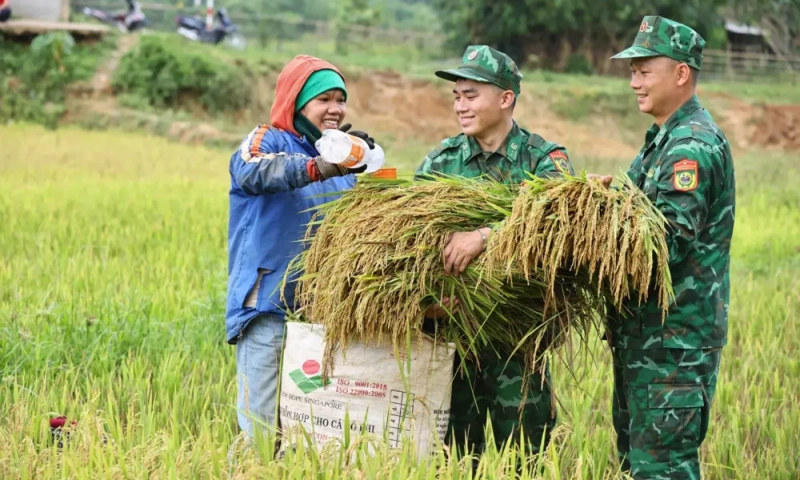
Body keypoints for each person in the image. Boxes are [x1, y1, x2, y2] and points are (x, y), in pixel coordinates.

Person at [414, 45, 575, 462]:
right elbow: (411, 242)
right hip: (454, 342)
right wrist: (431, 301)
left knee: (523, 460)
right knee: (452, 460)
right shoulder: (440, 163)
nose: (460, 106)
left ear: (506, 99)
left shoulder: (544, 160)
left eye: (471, 95)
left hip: (518, 340)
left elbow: (559, 221)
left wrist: (484, 236)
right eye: (456, 97)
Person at [591, 16, 735, 479]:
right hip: (647, 343)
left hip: (672, 348)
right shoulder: (663, 140)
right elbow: (642, 214)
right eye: (631, 72)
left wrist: (587, 231)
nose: (634, 82)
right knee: (640, 467)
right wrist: (607, 199)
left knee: (663, 469)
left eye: (643, 70)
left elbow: (662, 242)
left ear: (680, 73)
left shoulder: (691, 146)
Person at [226, 54, 375, 441]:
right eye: (324, 99)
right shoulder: (267, 138)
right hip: (268, 302)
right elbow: (251, 169)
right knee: (260, 430)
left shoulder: (341, 167)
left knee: (307, 430)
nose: (336, 109)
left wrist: (358, 165)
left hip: (320, 312)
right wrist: (320, 165)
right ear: (297, 100)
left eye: (341, 99)